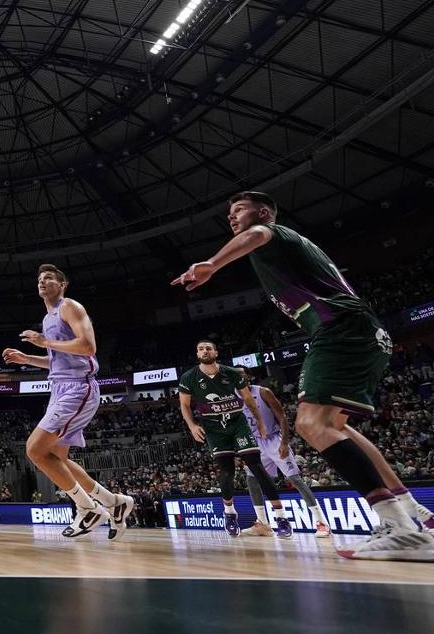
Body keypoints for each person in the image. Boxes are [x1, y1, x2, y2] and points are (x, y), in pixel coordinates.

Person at [173, 191, 434, 560]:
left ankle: (401, 528)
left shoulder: (269, 234)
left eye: (239, 210)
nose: (232, 218)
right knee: (337, 427)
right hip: (363, 332)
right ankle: (412, 514)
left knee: (312, 424)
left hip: (340, 329)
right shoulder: (286, 250)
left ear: (262, 213)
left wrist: (212, 264)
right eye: (229, 213)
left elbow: (255, 235)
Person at [3, 264, 134, 541]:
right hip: (60, 387)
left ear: (63, 284)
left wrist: (44, 341)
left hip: (77, 389)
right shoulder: (49, 316)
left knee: (35, 450)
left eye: (49, 278)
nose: (42, 281)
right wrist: (28, 359)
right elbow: (58, 358)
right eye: (39, 279)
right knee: (56, 458)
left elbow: (87, 347)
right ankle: (113, 502)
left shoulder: (70, 307)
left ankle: (87, 508)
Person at [177, 340, 293, 539]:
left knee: (257, 468)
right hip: (213, 428)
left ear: (216, 352)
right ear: (197, 354)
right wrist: (192, 425)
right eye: (201, 349)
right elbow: (185, 405)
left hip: (238, 423)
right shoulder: (189, 377)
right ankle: (230, 514)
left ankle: (281, 517)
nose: (205, 351)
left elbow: (248, 399)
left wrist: (260, 422)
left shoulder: (232, 372)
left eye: (209, 348)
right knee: (226, 471)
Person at [237, 372, 332, 539]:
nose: (239, 378)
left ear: (248, 377)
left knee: (295, 479)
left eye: (242, 374)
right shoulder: (233, 398)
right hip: (255, 442)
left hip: (274, 439)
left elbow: (281, 416)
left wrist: (284, 442)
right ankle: (262, 523)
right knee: (251, 479)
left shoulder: (263, 392)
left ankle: (321, 523)